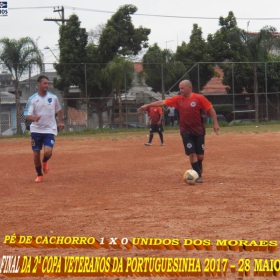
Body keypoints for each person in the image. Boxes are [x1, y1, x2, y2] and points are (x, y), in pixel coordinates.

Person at [139, 80, 219, 183]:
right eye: (179, 88)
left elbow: (210, 109)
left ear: (189, 88)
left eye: (182, 88)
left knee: (200, 156)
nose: (180, 90)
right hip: (185, 131)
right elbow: (162, 102)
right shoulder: (177, 99)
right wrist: (148, 105)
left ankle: (198, 168)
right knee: (192, 153)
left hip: (199, 130)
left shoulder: (199, 98)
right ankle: (198, 175)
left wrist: (215, 123)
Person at [24, 75, 65, 183]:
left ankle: (45, 162)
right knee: (36, 153)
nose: (47, 85)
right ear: (39, 84)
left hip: (49, 129)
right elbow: (27, 116)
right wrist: (33, 118)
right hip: (36, 130)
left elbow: (59, 110)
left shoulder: (53, 98)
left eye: (48, 83)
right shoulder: (32, 99)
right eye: (45, 83)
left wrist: (60, 122)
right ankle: (39, 174)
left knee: (48, 152)